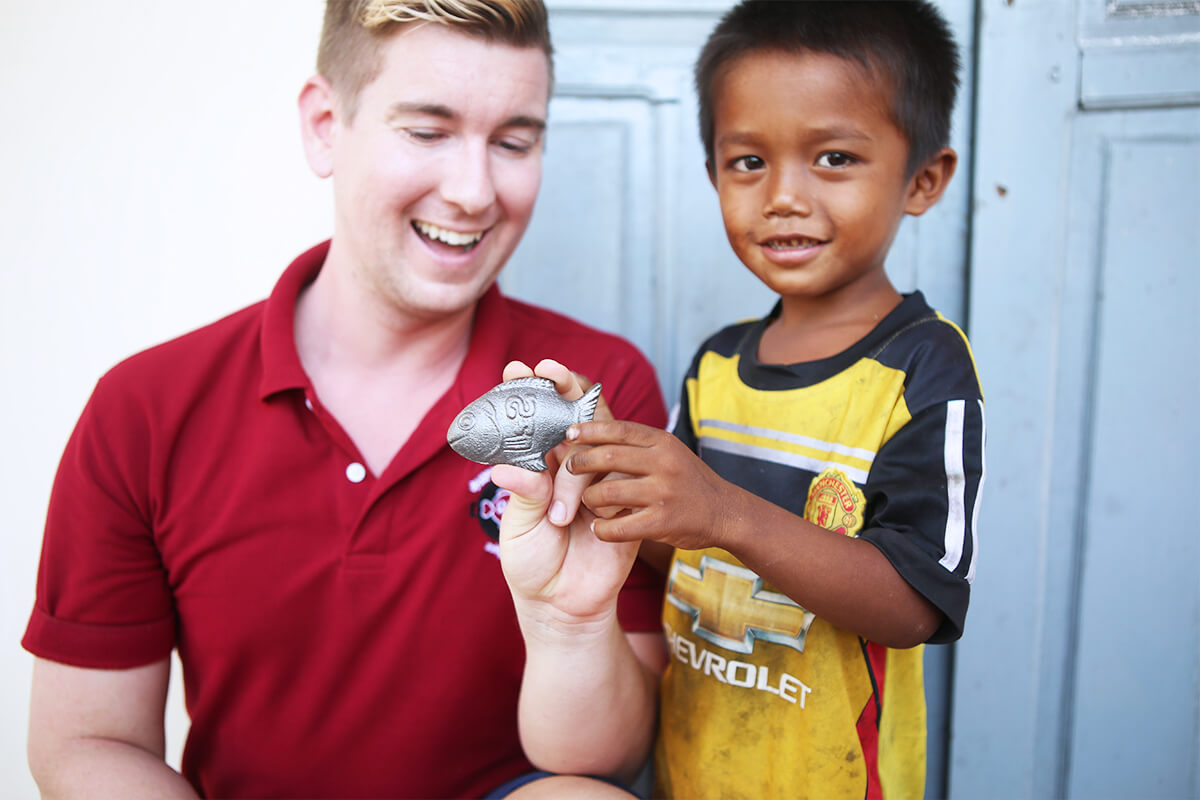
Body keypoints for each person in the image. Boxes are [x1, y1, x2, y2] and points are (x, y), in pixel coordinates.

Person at [21, 2, 668, 798]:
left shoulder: (596, 390)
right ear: (327, 125)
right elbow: (86, 741)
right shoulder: (145, 409)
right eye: (428, 132)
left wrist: (568, 627)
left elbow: (607, 761)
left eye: (514, 141)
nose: (472, 191)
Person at [492, 1, 986, 798]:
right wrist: (600, 455)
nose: (783, 196)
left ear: (922, 179)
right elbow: (679, 539)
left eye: (833, 158)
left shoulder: (923, 368)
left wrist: (724, 512)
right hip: (691, 773)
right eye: (747, 162)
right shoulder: (717, 364)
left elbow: (914, 606)